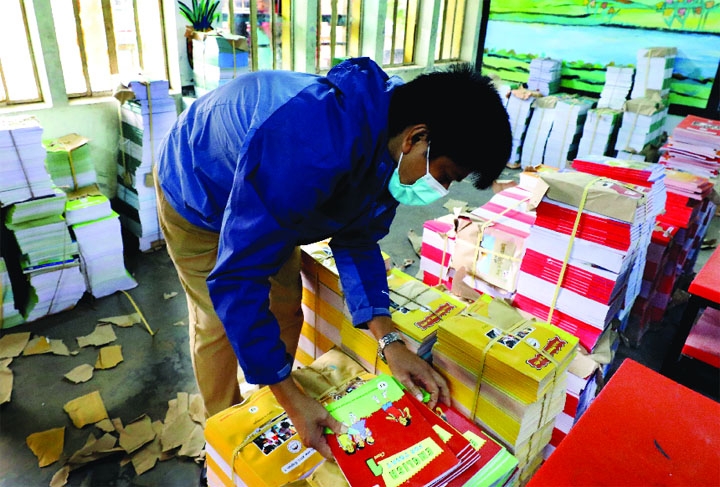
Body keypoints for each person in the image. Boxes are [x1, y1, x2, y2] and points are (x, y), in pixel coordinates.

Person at [154, 57, 512, 459]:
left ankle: (269, 401)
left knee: (285, 311)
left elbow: (358, 241)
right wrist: (292, 397)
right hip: (199, 191)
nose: (440, 190)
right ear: (417, 138)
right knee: (218, 321)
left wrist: (390, 342)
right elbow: (238, 276)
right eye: (443, 175)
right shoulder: (309, 147)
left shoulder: (387, 148)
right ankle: (224, 440)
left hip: (264, 197)